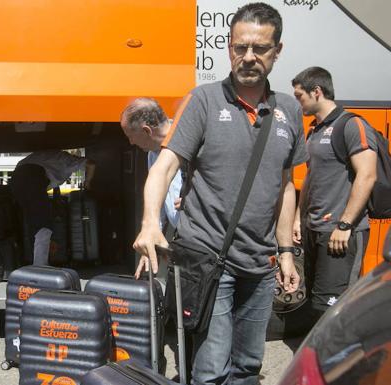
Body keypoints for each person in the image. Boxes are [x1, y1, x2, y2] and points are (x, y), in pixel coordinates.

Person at [132, 3, 305, 384]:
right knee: (209, 371)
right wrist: (149, 224)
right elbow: (163, 167)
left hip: (260, 266)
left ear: (277, 50)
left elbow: (286, 185)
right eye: (239, 46)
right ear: (228, 47)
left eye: (259, 49)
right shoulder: (203, 101)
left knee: (247, 367)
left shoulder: (289, 111)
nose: (247, 57)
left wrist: (287, 253)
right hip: (210, 261)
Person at [292, 66, 377, 317]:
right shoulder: (314, 131)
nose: (299, 103)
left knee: (335, 308)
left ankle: (347, 356)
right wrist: (299, 217)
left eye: (300, 96)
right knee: (316, 303)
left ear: (316, 91)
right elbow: (310, 178)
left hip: (341, 233)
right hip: (315, 230)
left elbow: (367, 174)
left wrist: (344, 225)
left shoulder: (351, 125)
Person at [9, 150, 95, 265]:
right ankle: (40, 266)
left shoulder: (47, 155)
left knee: (31, 222)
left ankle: (31, 259)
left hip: (17, 179)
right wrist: (88, 182)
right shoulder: (68, 159)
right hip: (33, 177)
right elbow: (91, 164)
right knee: (43, 224)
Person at [120, 98, 184, 232]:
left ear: (146, 131)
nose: (131, 142)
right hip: (184, 236)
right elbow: (158, 202)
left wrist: (196, 199)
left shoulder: (190, 139)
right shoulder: (153, 154)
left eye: (130, 136)